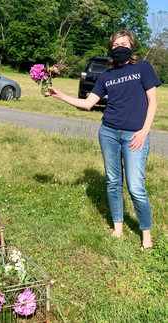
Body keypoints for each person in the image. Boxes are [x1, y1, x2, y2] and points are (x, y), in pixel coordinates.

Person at [46, 30, 161, 250]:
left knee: (136, 186)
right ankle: (117, 228)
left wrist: (145, 131)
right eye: (116, 44)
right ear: (111, 48)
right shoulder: (106, 75)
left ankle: (146, 233)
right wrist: (60, 95)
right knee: (113, 182)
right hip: (108, 132)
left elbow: (152, 102)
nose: (120, 47)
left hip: (135, 134)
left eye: (124, 43)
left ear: (131, 46)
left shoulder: (143, 67)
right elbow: (88, 103)